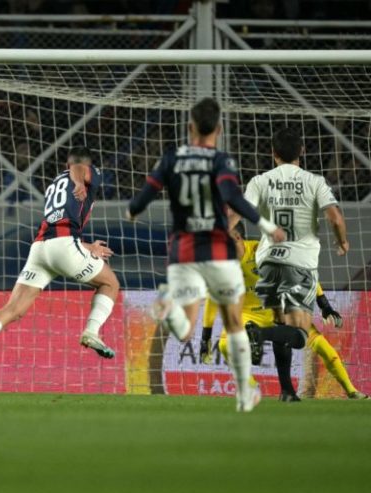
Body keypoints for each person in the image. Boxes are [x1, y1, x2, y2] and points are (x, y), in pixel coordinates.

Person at [127, 97, 286, 412]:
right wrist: (267, 226)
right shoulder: (221, 161)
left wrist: (133, 210)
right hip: (218, 251)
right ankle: (244, 394)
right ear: (219, 128)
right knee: (234, 322)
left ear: (190, 127)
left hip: (183, 252)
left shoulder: (171, 157)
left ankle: (167, 307)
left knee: (185, 329)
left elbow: (144, 195)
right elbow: (233, 199)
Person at [0, 147, 121, 386]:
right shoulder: (85, 173)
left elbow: (59, 229)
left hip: (41, 249)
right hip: (63, 247)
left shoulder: (54, 184)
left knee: (14, 308)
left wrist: (87, 246)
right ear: (84, 164)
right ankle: (91, 332)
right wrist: (78, 181)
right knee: (110, 283)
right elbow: (77, 170)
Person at [231, 126, 350, 396]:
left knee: (280, 324)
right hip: (299, 262)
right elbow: (335, 218)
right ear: (302, 152)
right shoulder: (315, 181)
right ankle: (257, 335)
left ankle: (286, 390)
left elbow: (236, 214)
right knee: (299, 334)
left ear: (273, 154)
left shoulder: (259, 181)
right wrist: (342, 241)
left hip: (268, 261)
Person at [200, 223, 367, 401]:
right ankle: (249, 386)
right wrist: (206, 336)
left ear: (237, 238)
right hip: (248, 315)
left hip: (280, 311)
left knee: (323, 346)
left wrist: (324, 304)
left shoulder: (262, 252)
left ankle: (351, 390)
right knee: (225, 345)